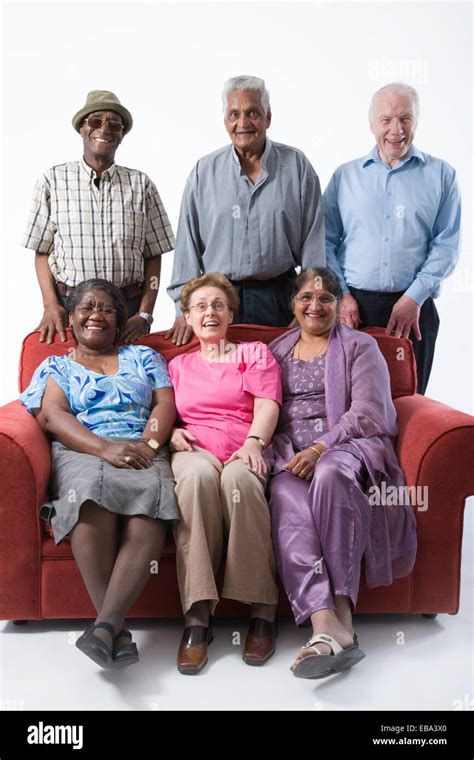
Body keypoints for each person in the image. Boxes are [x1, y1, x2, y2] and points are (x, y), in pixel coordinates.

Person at [265, 267, 417, 678]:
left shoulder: (360, 346)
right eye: (306, 298)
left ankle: (343, 615)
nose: (315, 305)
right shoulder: (275, 352)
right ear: (293, 303)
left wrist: (321, 447)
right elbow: (266, 415)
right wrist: (287, 457)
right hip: (290, 455)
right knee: (283, 496)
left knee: (332, 474)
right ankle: (323, 623)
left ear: (337, 304)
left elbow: (369, 411)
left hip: (347, 446)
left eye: (325, 298)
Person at [19, 279, 179, 669]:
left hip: (140, 445)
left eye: (107, 308)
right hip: (82, 447)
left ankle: (106, 626)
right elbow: (52, 415)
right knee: (88, 494)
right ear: (71, 318)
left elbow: (164, 404)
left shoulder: (143, 357)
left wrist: (150, 446)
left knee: (152, 505)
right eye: (86, 307)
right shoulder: (56, 364)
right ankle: (115, 630)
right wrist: (104, 448)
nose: (96, 315)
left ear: (119, 319)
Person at [167, 273, 282, 673]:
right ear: (188, 317)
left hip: (243, 447)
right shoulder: (178, 364)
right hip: (194, 450)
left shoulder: (253, 353)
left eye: (218, 305)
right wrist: (170, 431)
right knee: (196, 480)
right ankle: (197, 619)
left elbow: (268, 404)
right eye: (200, 307)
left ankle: (262, 611)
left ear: (231, 313)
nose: (210, 312)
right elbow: (163, 411)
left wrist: (253, 443)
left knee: (239, 482)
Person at [323, 82, 461, 394]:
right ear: (372, 125)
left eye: (405, 119)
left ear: (416, 121)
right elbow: (324, 240)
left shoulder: (442, 175)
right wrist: (341, 296)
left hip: (413, 310)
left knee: (409, 403)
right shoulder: (345, 176)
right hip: (354, 309)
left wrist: (414, 298)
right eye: (386, 120)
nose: (396, 130)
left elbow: (447, 244)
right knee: (350, 402)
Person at [166, 75, 325, 345]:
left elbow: (314, 242)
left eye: (253, 113)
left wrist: (309, 306)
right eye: (234, 114)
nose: (243, 123)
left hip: (281, 299)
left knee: (279, 383)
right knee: (225, 383)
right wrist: (184, 309)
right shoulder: (203, 171)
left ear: (268, 117)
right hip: (218, 301)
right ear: (225, 119)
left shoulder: (297, 166)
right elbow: (187, 246)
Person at [22, 90, 175, 345]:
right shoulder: (53, 181)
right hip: (71, 309)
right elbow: (41, 251)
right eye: (95, 121)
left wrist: (145, 315)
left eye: (114, 124)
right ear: (82, 128)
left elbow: (153, 254)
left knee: (130, 380)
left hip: (127, 309)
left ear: (121, 135)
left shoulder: (141, 184)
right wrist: (50, 305)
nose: (104, 128)